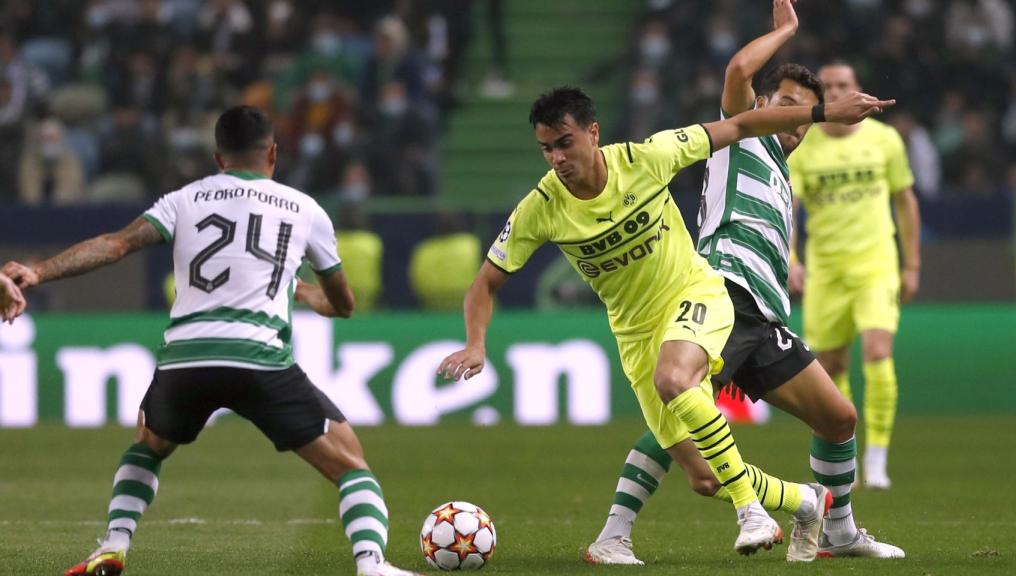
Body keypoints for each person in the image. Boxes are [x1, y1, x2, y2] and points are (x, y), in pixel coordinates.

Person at [436, 77, 892, 555]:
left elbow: (738, 124)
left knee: (675, 380)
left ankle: (750, 512)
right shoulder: (542, 207)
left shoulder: (646, 157)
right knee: (701, 475)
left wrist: (823, 115)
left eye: (565, 144)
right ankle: (802, 500)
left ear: (593, 133)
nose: (556, 159)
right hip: (636, 332)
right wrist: (475, 341)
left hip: (696, 294)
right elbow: (485, 282)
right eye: (546, 149)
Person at [2, 106, 420, 576]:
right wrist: (300, 289)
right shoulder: (305, 209)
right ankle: (371, 564)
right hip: (259, 358)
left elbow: (115, 244)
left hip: (186, 360)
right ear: (274, 154)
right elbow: (343, 303)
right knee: (350, 464)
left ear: (219, 158)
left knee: (148, 445)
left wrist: (37, 271)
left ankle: (114, 544)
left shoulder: (183, 200)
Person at [585, 0, 905, 563]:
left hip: (764, 314)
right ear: (763, 106)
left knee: (838, 416)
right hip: (722, 294)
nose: (793, 120)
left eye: (800, 113)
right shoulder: (742, 136)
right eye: (784, 105)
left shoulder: (786, 168)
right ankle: (614, 533)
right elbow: (736, 74)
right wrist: (786, 32)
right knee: (684, 404)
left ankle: (838, 530)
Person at [788, 60, 921, 490]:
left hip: (876, 263)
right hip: (826, 269)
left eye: (844, 83)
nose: (837, 90)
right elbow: (787, 207)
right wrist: (790, 258)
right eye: (828, 86)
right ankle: (847, 453)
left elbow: (905, 202)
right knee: (830, 368)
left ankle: (878, 461)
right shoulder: (804, 146)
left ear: (858, 88)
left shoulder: (884, 140)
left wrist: (911, 263)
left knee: (879, 352)